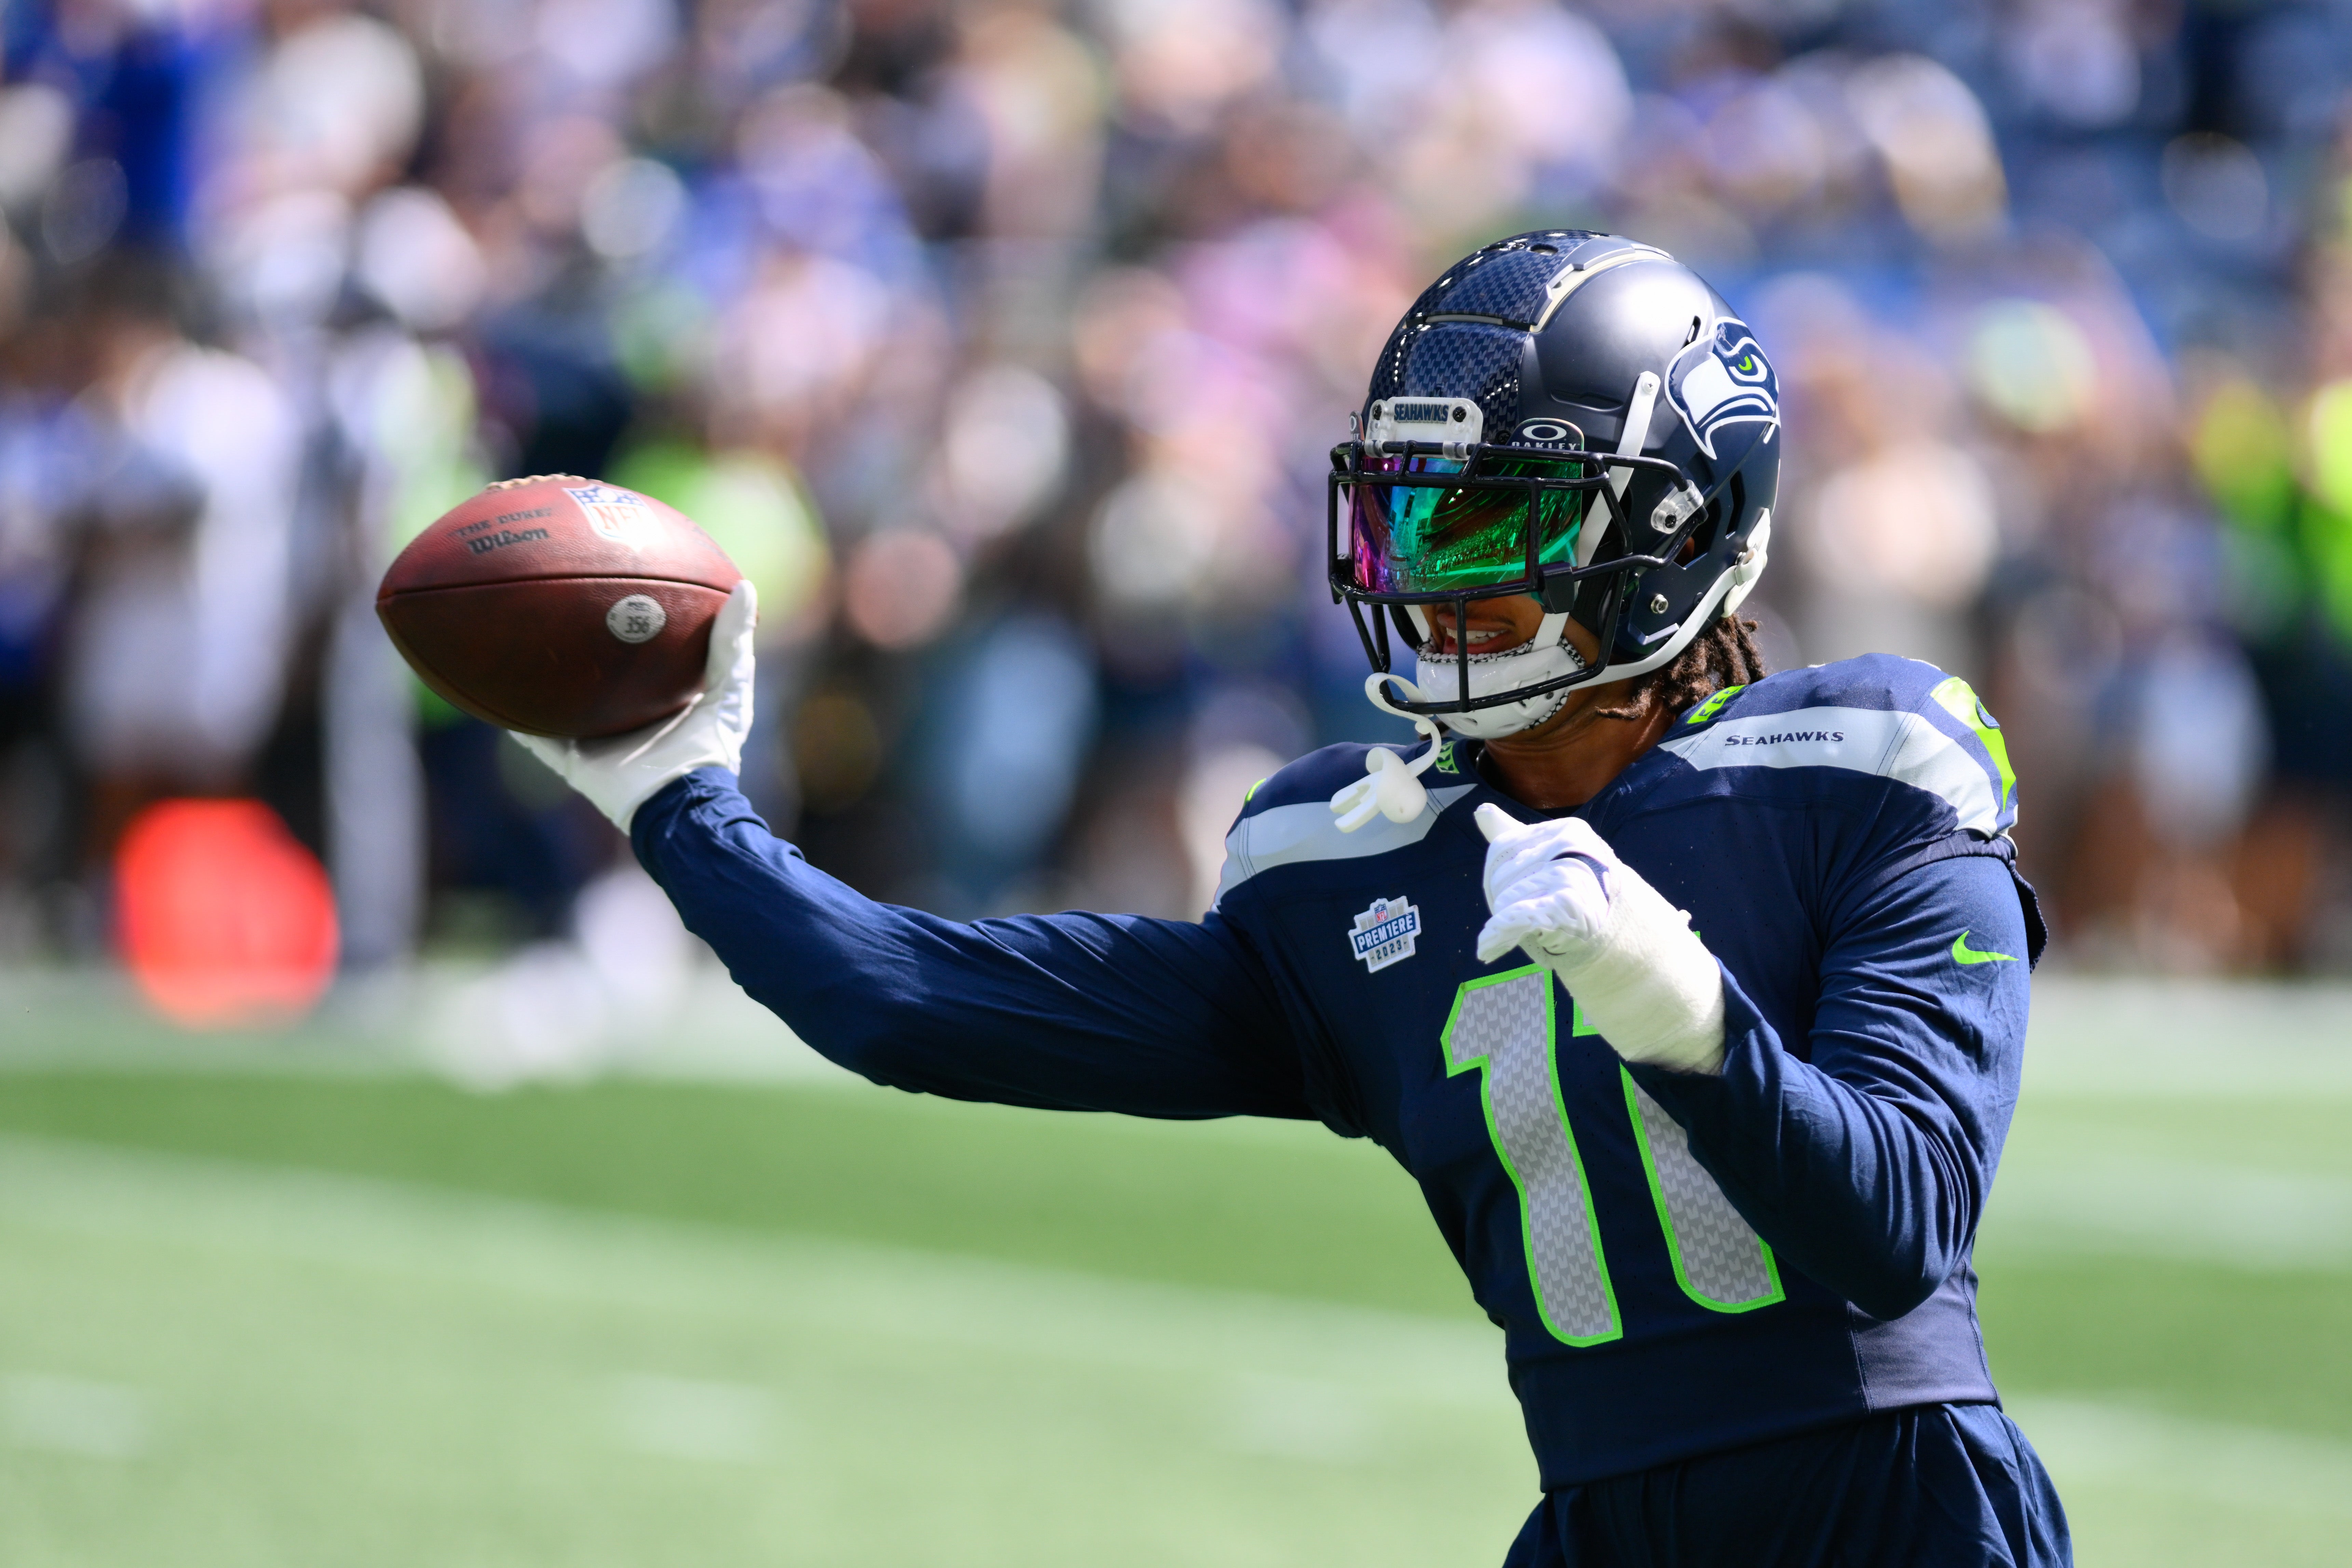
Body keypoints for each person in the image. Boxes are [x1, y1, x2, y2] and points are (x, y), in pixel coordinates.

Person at [517, 231, 2067, 1567]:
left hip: (1898, 1511)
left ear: (1670, 531)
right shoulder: (1347, 861)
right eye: (1405, 513)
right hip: (1598, 1519)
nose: (1426, 572)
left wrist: (1671, 1000)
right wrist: (675, 798)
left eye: (1491, 518)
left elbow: (1895, 1219)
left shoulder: (1862, 766)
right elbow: (900, 999)